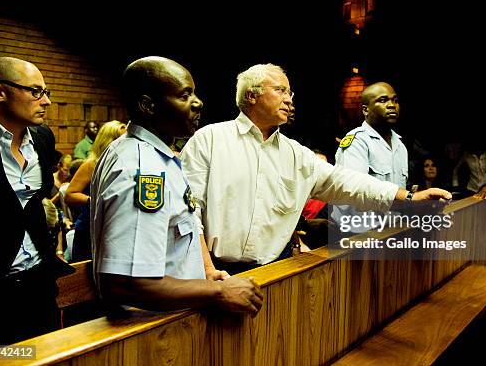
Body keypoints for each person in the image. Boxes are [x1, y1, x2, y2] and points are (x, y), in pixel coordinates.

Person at [181, 63, 451, 274]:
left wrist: (408, 199)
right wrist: (206, 270)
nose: (289, 99)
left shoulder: (296, 154)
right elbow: (189, 213)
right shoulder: (211, 140)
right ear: (252, 95)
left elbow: (348, 182)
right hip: (219, 272)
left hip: (278, 269)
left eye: (291, 93)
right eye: (281, 90)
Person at [90, 56, 263, 315]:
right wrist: (218, 292)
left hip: (171, 324)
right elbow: (126, 284)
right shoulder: (143, 169)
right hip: (150, 333)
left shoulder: (155, 156)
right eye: (184, 96)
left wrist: (205, 274)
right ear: (148, 105)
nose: (198, 103)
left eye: (194, 93)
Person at [0, 57, 74, 345]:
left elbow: (37, 201)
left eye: (47, 92)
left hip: (37, 283)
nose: (46, 101)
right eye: (35, 91)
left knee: (44, 354)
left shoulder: (42, 137)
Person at [331, 82, 408, 232]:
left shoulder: (400, 145)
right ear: (366, 110)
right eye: (383, 100)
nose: (392, 105)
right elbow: (356, 190)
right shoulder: (357, 141)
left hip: (389, 230)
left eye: (395, 100)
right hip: (357, 233)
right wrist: (410, 201)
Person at [65, 120, 127, 262]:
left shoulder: (125, 163)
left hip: (113, 228)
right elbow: (70, 194)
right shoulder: (92, 164)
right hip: (89, 228)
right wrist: (93, 200)